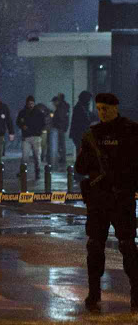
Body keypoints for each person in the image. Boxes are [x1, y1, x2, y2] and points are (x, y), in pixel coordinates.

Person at [75, 93, 138, 313]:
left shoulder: (131, 131)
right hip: (99, 200)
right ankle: (94, 293)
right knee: (94, 246)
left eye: (106, 108)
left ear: (115, 108)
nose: (102, 112)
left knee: (128, 246)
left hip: (122, 198)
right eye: (99, 108)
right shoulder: (93, 134)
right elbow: (80, 167)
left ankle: (136, 294)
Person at [16, 96, 46, 180]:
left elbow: (43, 123)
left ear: (34, 103)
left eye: (32, 103)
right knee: (25, 156)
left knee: (37, 156)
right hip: (26, 137)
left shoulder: (39, 113)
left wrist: (39, 131)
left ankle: (37, 171)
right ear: (27, 103)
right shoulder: (22, 112)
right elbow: (18, 122)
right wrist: (22, 126)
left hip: (36, 136)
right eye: (29, 103)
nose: (31, 105)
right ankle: (23, 171)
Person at [70, 91, 98, 180]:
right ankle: (78, 173)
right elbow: (84, 120)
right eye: (88, 99)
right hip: (79, 135)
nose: (89, 101)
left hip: (81, 134)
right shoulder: (79, 108)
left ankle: (79, 173)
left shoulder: (82, 107)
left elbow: (90, 115)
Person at [52, 93, 70, 164]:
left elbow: (60, 117)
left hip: (59, 128)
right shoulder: (64, 106)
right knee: (61, 144)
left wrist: (56, 124)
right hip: (62, 127)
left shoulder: (61, 107)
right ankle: (62, 158)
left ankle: (62, 159)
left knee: (61, 144)